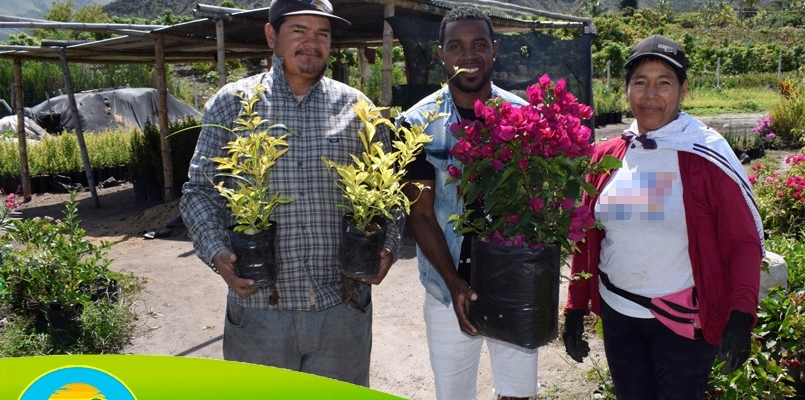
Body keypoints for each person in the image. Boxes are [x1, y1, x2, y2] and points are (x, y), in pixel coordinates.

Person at [179, 0, 399, 387]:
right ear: (272, 36)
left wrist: (388, 246)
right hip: (260, 312)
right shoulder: (233, 105)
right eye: (299, 30)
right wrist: (216, 250)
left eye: (323, 34)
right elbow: (199, 190)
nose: (311, 42)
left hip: (342, 310)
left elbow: (390, 193)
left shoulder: (358, 109)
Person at [561, 34, 765, 399]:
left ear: (683, 89)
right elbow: (586, 234)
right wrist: (576, 305)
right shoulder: (608, 155)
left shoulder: (706, 155)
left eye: (664, 83)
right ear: (626, 90)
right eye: (640, 82)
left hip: (682, 324)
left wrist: (740, 314)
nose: (650, 95)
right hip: (619, 316)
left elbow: (743, 242)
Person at [397, 5, 538, 400]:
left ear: (494, 50)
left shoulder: (522, 118)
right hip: (446, 285)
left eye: (479, 44)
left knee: (518, 392)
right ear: (441, 53)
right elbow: (421, 214)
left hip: (513, 282)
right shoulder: (417, 124)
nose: (468, 55)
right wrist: (455, 282)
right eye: (456, 46)